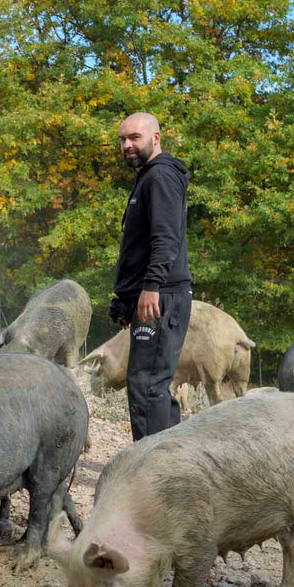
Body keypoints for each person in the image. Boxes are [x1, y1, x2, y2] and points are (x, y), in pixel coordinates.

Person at [108, 111, 192, 440]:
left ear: (156, 138)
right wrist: (125, 300)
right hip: (155, 295)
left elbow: (165, 238)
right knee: (148, 385)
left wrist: (151, 288)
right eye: (122, 140)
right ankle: (170, 464)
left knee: (147, 387)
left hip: (162, 296)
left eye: (135, 138)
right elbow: (139, 246)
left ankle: (154, 474)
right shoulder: (148, 177)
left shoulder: (160, 177)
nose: (127, 145)